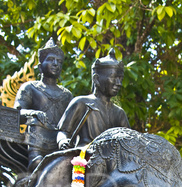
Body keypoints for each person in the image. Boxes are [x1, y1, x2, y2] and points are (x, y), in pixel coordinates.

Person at [14, 38, 73, 171]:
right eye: (51, 60)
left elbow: (72, 121)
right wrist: (32, 113)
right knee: (39, 166)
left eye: (59, 61)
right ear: (40, 66)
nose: (56, 64)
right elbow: (16, 114)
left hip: (61, 144)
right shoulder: (30, 87)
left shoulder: (67, 95)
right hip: (38, 143)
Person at [57, 48, 130, 149]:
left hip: (111, 159)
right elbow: (63, 132)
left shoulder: (119, 113)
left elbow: (128, 141)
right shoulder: (81, 103)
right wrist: (63, 141)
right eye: (113, 78)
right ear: (96, 79)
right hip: (84, 156)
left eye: (120, 79)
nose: (119, 83)